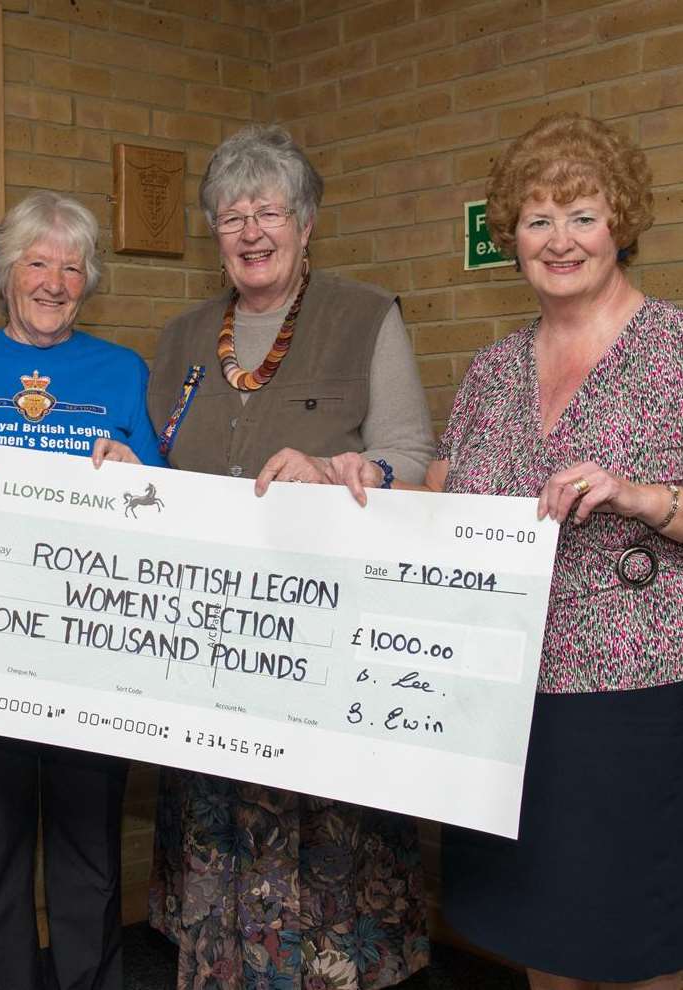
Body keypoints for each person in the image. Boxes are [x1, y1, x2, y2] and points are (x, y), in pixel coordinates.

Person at [288, 113, 683, 990]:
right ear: (512, 239)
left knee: (641, 938)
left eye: (582, 214)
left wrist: (645, 497)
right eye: (537, 220)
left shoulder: (674, 350)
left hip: (633, 697)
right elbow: (449, 504)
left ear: (622, 221)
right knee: (541, 933)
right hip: (497, 694)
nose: (560, 239)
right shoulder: (494, 368)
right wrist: (360, 479)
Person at [145, 125, 434, 989]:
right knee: (216, 823)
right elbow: (158, 466)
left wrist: (353, 470)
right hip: (208, 641)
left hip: (328, 642)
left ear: (306, 225)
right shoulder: (183, 335)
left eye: (270, 210)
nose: (251, 230)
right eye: (231, 216)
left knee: (330, 849)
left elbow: (412, 459)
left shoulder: (364, 315)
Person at [0, 190, 163, 990]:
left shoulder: (123, 373)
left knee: (88, 846)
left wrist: (137, 482)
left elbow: (165, 519)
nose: (56, 281)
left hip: (91, 639)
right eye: (38, 262)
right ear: (6, 274)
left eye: (73, 266)